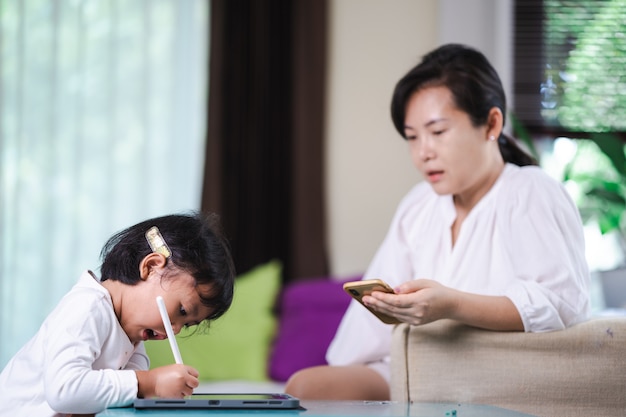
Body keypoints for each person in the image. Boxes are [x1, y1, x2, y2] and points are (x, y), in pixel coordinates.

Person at [285, 43, 590, 400]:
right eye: (412, 137)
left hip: (494, 374)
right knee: (304, 388)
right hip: (418, 367)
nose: (422, 152)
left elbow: (560, 301)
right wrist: (390, 306)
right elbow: (369, 330)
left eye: (438, 132)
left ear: (492, 123)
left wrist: (451, 305)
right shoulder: (419, 204)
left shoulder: (530, 191)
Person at [0, 212, 235, 417]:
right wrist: (149, 383)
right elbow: (64, 388)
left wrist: (162, 390)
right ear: (151, 267)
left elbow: (123, 397)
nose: (175, 329)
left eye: (188, 324)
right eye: (181, 310)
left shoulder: (131, 341)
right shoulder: (88, 306)